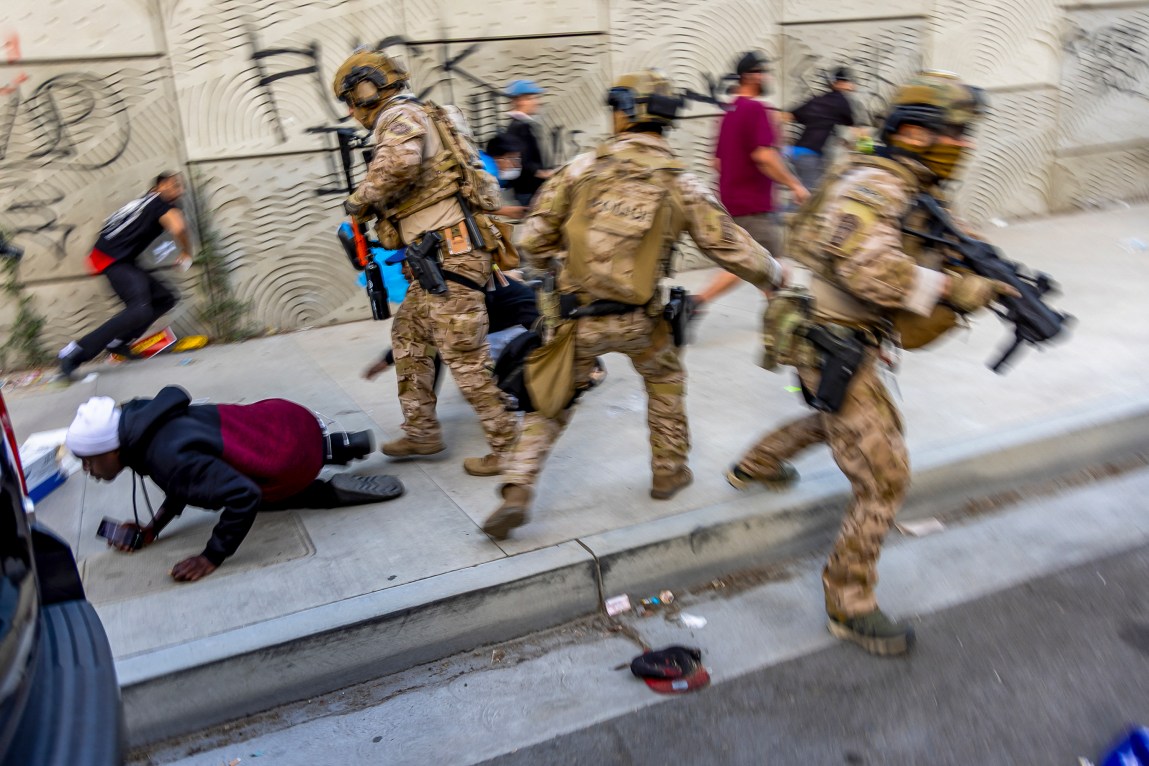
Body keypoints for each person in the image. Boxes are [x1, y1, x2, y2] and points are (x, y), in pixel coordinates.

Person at [729, 72, 1016, 656]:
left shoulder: (906, 182)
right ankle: (849, 602)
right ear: (913, 132)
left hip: (839, 334)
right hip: (827, 335)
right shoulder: (879, 182)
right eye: (954, 133)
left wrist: (965, 257)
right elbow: (867, 268)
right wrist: (952, 290)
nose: (963, 144)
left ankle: (755, 466)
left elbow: (906, 245)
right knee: (885, 476)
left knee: (841, 421)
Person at [480, 70, 787, 541]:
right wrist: (774, 275)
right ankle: (668, 472)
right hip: (642, 320)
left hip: (575, 315)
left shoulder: (582, 169)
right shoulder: (680, 183)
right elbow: (731, 246)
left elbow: (533, 239)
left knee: (552, 397)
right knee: (664, 380)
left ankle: (519, 486)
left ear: (624, 113)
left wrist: (551, 266)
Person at [334, 48, 520, 477]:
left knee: (463, 354)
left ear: (367, 90)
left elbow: (397, 165)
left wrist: (357, 203)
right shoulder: (423, 113)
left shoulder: (399, 118)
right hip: (436, 259)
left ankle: (507, 444)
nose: (349, 109)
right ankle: (421, 430)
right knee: (410, 334)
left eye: (349, 97)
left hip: (451, 257)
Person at [66, 387, 401, 582]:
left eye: (89, 459)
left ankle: (324, 492)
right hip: (285, 419)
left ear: (113, 448)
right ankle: (340, 445)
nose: (87, 469)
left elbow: (243, 495)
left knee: (249, 497)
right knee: (242, 459)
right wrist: (153, 529)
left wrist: (212, 556)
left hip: (288, 457)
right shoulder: (149, 425)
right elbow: (183, 482)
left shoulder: (166, 458)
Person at [692, 51, 809, 311]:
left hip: (732, 200)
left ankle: (781, 317)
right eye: (764, 72)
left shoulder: (729, 111)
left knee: (766, 267)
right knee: (766, 266)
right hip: (754, 204)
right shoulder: (756, 109)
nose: (767, 77)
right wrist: (795, 185)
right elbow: (764, 156)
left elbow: (717, 162)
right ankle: (696, 303)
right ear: (752, 76)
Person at [57, 173, 192, 380]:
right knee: (139, 309)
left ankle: (119, 342)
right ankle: (74, 352)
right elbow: (179, 227)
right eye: (174, 186)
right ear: (160, 186)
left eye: (179, 187)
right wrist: (186, 252)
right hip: (112, 260)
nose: (179, 191)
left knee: (165, 299)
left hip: (121, 260)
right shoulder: (157, 202)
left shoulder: (143, 203)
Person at [783, 66, 858, 192]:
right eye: (849, 82)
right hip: (810, 156)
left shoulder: (817, 100)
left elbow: (787, 116)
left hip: (793, 151)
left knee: (796, 193)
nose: (852, 85)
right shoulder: (842, 102)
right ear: (841, 83)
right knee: (807, 199)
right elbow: (854, 129)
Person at [503, 80, 553, 207]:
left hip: (530, 190)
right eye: (532, 98)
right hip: (529, 191)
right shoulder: (518, 127)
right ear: (520, 101)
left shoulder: (522, 125)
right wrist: (544, 173)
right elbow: (522, 160)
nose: (537, 102)